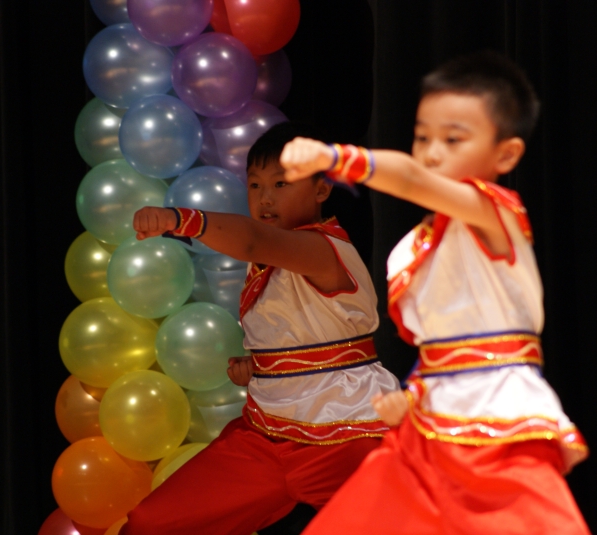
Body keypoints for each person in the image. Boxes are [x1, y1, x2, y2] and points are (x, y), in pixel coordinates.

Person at [279, 51, 590, 534]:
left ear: (505, 154)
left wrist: (337, 158)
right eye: (423, 137)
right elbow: (446, 340)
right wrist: (414, 393)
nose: (433, 152)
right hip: (429, 420)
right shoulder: (419, 243)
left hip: (498, 414)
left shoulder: (496, 213)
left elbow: (410, 176)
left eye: (453, 138)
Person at [119, 122, 400, 535]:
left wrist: (180, 219)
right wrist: (262, 368)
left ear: (322, 189)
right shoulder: (272, 262)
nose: (266, 198)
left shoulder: (325, 249)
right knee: (151, 524)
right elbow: (309, 339)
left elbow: (253, 240)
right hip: (266, 436)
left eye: (282, 184)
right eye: (255, 185)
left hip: (349, 438)